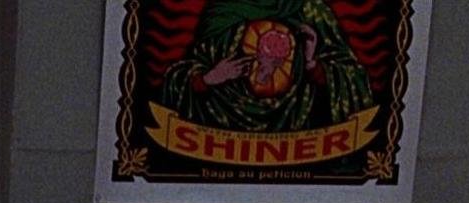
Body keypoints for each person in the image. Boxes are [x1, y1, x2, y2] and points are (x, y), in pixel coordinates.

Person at [157, 0, 374, 132]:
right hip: (216, 133)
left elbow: (354, 78)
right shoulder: (221, 12)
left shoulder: (311, 9)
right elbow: (180, 76)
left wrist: (312, 65)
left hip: (301, 134)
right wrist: (209, 79)